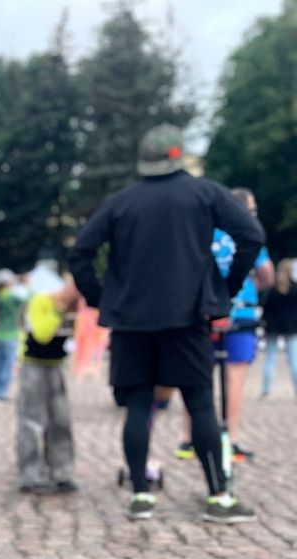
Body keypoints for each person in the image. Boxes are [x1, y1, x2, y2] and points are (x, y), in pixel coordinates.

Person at [69, 124, 264, 525]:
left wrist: (100, 298)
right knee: (200, 404)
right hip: (188, 316)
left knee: (139, 405)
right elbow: (251, 235)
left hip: (132, 322)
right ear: (178, 156)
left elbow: (81, 252)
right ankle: (219, 497)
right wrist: (223, 288)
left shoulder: (122, 201)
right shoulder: (205, 193)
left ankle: (141, 494)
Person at [205, 187, 274, 459]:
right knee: (235, 377)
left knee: (201, 379)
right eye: (253, 209)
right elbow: (266, 274)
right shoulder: (248, 234)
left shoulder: (208, 233)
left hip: (208, 311)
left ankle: (191, 438)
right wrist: (253, 284)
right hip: (241, 311)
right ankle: (230, 439)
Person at [16, 277, 79, 495]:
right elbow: (42, 334)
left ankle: (63, 472)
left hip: (56, 366)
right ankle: (31, 475)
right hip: (34, 366)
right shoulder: (41, 302)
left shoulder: (76, 308)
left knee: (60, 421)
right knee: (32, 421)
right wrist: (59, 311)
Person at [262, 259, 297, 397]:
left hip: (273, 327)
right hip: (291, 327)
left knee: (270, 358)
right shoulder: (295, 288)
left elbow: (265, 307)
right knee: (294, 360)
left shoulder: (272, 288)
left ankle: (266, 390)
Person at [0, 269, 24, 401]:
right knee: (8, 365)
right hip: (11, 334)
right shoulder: (12, 297)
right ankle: (2, 392)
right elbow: (27, 298)